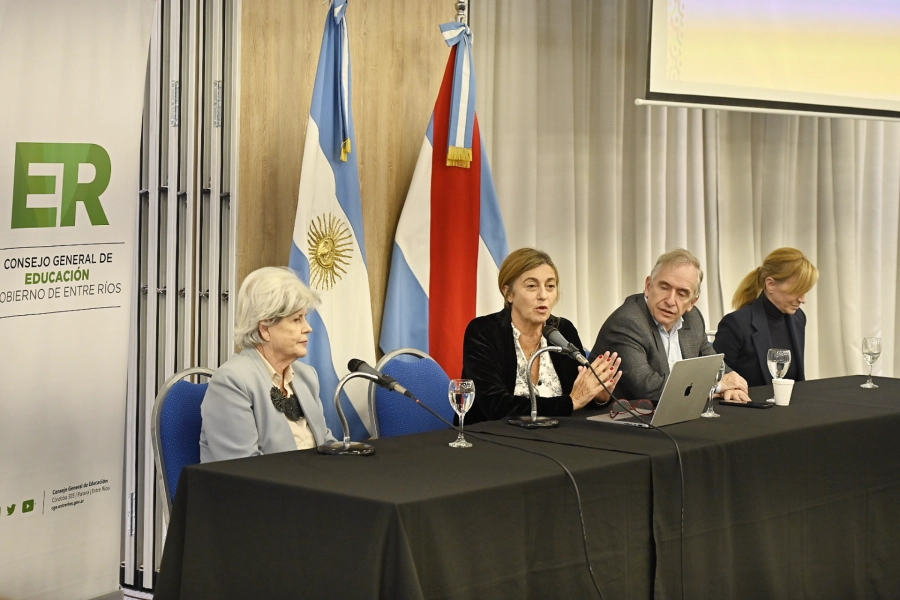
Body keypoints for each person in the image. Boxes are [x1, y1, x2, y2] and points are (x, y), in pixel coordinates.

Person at [461, 248, 622, 425]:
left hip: (557, 439)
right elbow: (496, 406)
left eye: (550, 286)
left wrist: (598, 396)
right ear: (508, 293)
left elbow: (579, 400)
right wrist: (570, 402)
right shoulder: (484, 332)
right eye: (531, 286)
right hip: (492, 440)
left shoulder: (563, 330)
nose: (543, 295)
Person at [199, 266, 337, 463]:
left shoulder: (306, 376)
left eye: (305, 318)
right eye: (297, 319)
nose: (308, 328)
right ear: (265, 329)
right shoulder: (232, 382)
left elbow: (326, 445)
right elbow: (242, 468)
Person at [589, 248, 751, 403]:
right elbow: (648, 387)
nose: (670, 301)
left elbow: (714, 364)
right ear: (648, 286)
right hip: (627, 419)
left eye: (682, 293)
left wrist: (734, 383)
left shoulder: (692, 318)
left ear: (692, 302)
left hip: (676, 414)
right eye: (664, 287)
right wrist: (718, 387)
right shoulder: (627, 322)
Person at [713, 248, 818, 388]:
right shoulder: (736, 324)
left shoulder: (799, 318)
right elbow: (716, 378)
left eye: (805, 291)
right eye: (797, 290)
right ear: (771, 284)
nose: (803, 299)